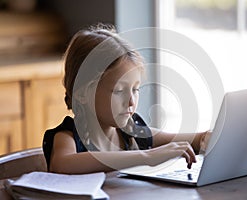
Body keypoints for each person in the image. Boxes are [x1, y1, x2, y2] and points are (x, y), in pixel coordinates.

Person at [43, 24, 211, 174]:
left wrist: (206, 137)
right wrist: (145, 156)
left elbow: (187, 141)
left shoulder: (132, 130)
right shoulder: (67, 136)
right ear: (82, 93)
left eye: (135, 89)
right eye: (119, 90)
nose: (131, 102)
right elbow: (62, 164)